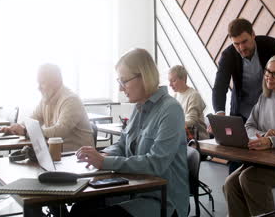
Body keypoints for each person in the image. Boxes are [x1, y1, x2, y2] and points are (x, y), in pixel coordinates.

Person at [72, 49, 189, 217]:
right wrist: (101, 154)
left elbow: (155, 164)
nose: (120, 88)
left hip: (163, 201)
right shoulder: (139, 107)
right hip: (136, 190)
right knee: (80, 208)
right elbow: (122, 145)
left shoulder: (170, 110)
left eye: (124, 81)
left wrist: (105, 162)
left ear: (143, 76)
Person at [212, 18, 275, 173]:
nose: (241, 48)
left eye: (244, 42)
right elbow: (219, 87)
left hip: (269, 110)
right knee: (236, 164)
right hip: (243, 112)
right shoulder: (228, 55)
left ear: (253, 35)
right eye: (236, 44)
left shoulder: (270, 45)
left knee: (261, 166)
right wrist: (220, 115)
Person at [223, 54, 275, 217]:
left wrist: (271, 141)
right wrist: (263, 135)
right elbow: (248, 126)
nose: (269, 76)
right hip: (263, 162)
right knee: (230, 184)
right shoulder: (264, 97)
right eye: (267, 71)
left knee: (248, 179)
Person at [1, 64, 94, 152]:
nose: (38, 88)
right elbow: (33, 119)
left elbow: (59, 131)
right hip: (58, 155)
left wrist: (26, 131)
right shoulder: (47, 98)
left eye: (42, 83)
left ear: (56, 82)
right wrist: (15, 128)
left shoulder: (71, 100)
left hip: (77, 159)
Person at [168, 65, 209, 141]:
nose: (170, 85)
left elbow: (191, 121)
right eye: (169, 81)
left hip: (198, 140)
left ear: (183, 79)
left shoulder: (194, 95)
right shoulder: (175, 96)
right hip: (182, 138)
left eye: (173, 81)